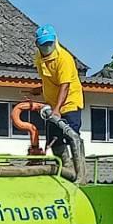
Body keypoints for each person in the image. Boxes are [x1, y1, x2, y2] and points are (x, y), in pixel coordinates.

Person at [32, 25, 85, 153]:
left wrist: (57, 109)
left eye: (50, 43)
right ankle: (61, 166)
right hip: (53, 106)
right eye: (44, 44)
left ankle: (77, 167)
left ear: (55, 40)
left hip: (69, 104)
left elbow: (64, 85)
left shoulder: (64, 59)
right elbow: (50, 80)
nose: (47, 47)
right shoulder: (39, 58)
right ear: (38, 44)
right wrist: (40, 90)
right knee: (53, 140)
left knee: (72, 136)